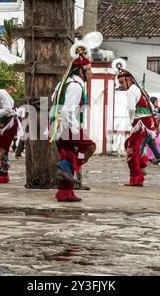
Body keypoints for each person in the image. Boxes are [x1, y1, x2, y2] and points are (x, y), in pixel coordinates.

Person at [49, 41, 97, 201]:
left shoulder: (63, 84)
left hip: (56, 126)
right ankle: (64, 169)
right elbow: (67, 111)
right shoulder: (76, 86)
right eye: (88, 70)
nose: (91, 74)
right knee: (89, 146)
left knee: (68, 154)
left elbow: (53, 100)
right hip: (66, 126)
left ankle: (65, 193)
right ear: (80, 71)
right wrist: (77, 129)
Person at [112, 58, 157, 187]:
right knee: (130, 145)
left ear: (128, 80)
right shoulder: (139, 89)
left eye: (121, 82)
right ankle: (142, 165)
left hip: (140, 123)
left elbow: (131, 108)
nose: (120, 85)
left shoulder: (132, 91)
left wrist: (131, 122)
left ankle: (137, 178)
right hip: (147, 122)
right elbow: (151, 108)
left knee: (131, 148)